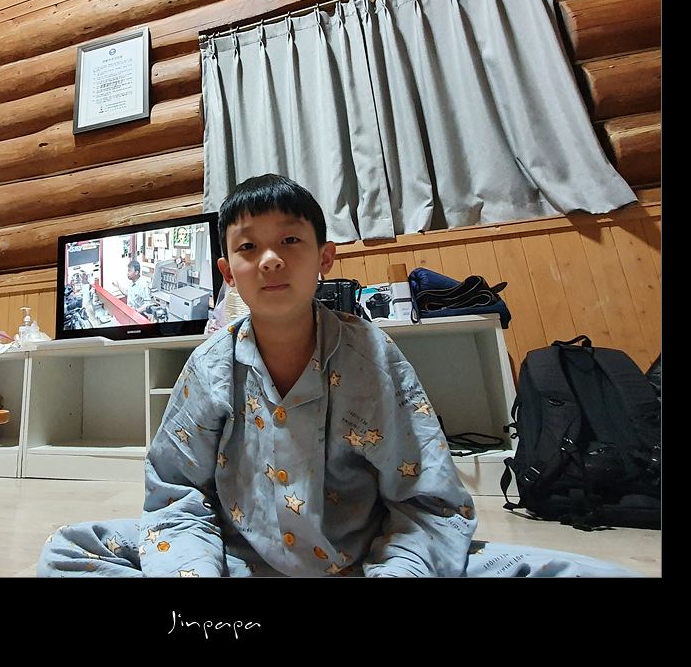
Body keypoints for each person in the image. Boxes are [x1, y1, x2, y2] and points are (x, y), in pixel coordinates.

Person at [37, 174, 642, 577]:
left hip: (365, 562)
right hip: (239, 562)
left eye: (290, 240)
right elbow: (175, 496)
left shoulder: (371, 356)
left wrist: (399, 571)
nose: (270, 259)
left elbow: (429, 501)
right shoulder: (210, 365)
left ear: (325, 258)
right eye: (248, 248)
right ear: (227, 271)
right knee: (70, 548)